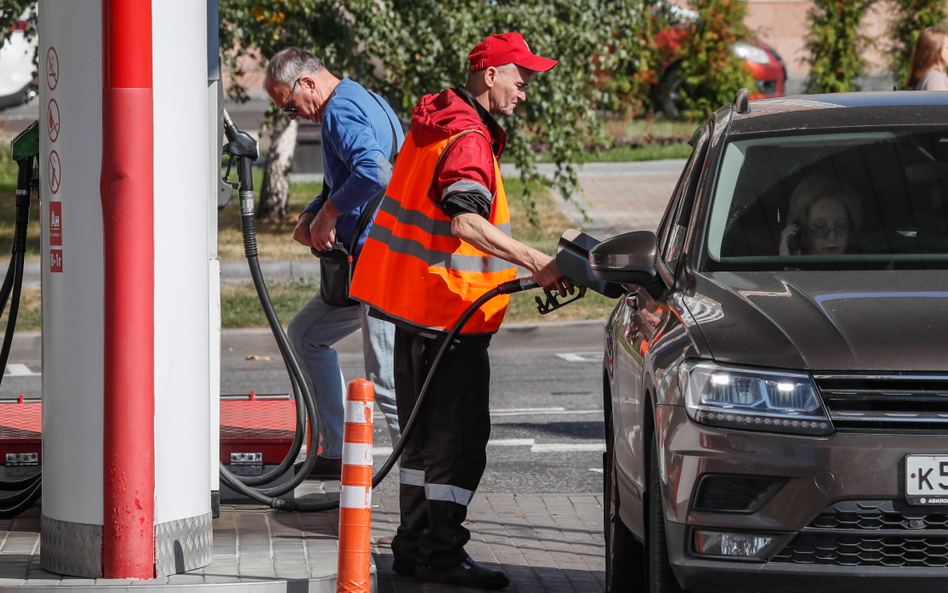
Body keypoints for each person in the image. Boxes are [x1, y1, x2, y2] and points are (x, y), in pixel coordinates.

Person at [349, 32, 572, 589]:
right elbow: (464, 221)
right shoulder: (469, 138)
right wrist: (537, 260)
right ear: (490, 73)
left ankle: (412, 546)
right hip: (452, 316)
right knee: (459, 445)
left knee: (423, 442)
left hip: (416, 311)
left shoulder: (435, 121)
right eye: (520, 78)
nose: (525, 90)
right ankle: (442, 556)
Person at [264, 48, 404, 479]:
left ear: (307, 83)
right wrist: (313, 212)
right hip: (363, 260)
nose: (292, 116)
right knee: (307, 334)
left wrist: (327, 216)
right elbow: (344, 179)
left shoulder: (338, 113)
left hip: (377, 262)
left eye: (289, 105)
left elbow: (373, 173)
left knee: (387, 380)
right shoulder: (360, 97)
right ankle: (335, 450)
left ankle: (421, 486)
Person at [779, 174, 862, 256]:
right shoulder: (779, 262)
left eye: (841, 226)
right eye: (820, 227)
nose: (832, 238)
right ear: (801, 231)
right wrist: (788, 265)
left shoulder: (862, 264)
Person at [907, 26, 948, 90]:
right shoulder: (936, 78)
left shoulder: (926, 76)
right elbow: (938, 100)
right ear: (936, 51)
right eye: (947, 47)